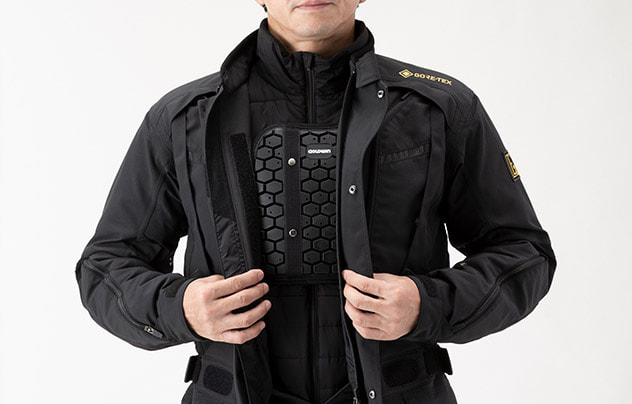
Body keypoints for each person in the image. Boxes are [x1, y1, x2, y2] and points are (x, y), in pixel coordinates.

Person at [75, 1, 557, 403]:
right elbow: (105, 266)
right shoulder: (184, 119)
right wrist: (179, 308)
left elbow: (524, 253)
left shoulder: (440, 108)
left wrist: (427, 303)